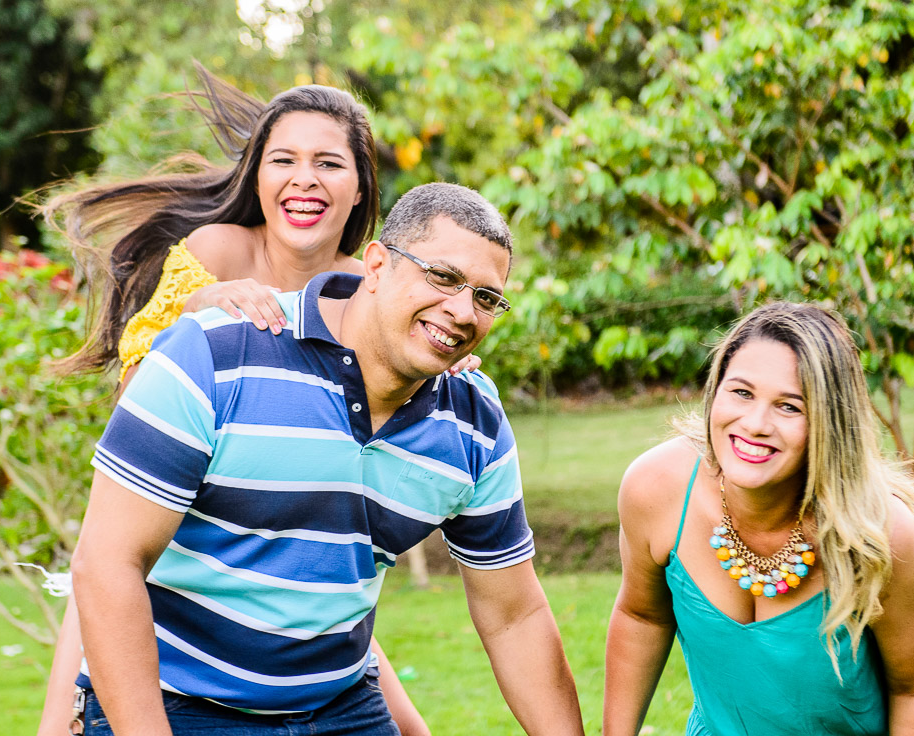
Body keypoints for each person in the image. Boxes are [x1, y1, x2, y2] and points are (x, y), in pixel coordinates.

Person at [70, 182, 585, 735]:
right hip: (182, 704)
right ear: (379, 265)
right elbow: (106, 563)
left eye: (486, 297)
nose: (462, 311)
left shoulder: (472, 422)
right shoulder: (217, 355)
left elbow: (515, 617)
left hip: (340, 707)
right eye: (443, 277)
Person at [37, 68, 454, 736]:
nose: (304, 179)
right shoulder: (219, 249)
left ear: (359, 188)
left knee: (362, 678)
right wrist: (198, 309)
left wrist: (441, 362)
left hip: (292, 522)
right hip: (177, 508)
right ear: (258, 177)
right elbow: (135, 397)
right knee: (93, 637)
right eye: (283, 160)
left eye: (329, 163)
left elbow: (406, 366)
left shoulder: (364, 285)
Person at [603, 303, 914, 735]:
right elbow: (642, 617)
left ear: (830, 422)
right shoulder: (657, 488)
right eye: (741, 393)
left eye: (789, 407)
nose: (755, 424)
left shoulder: (883, 536)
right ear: (715, 390)